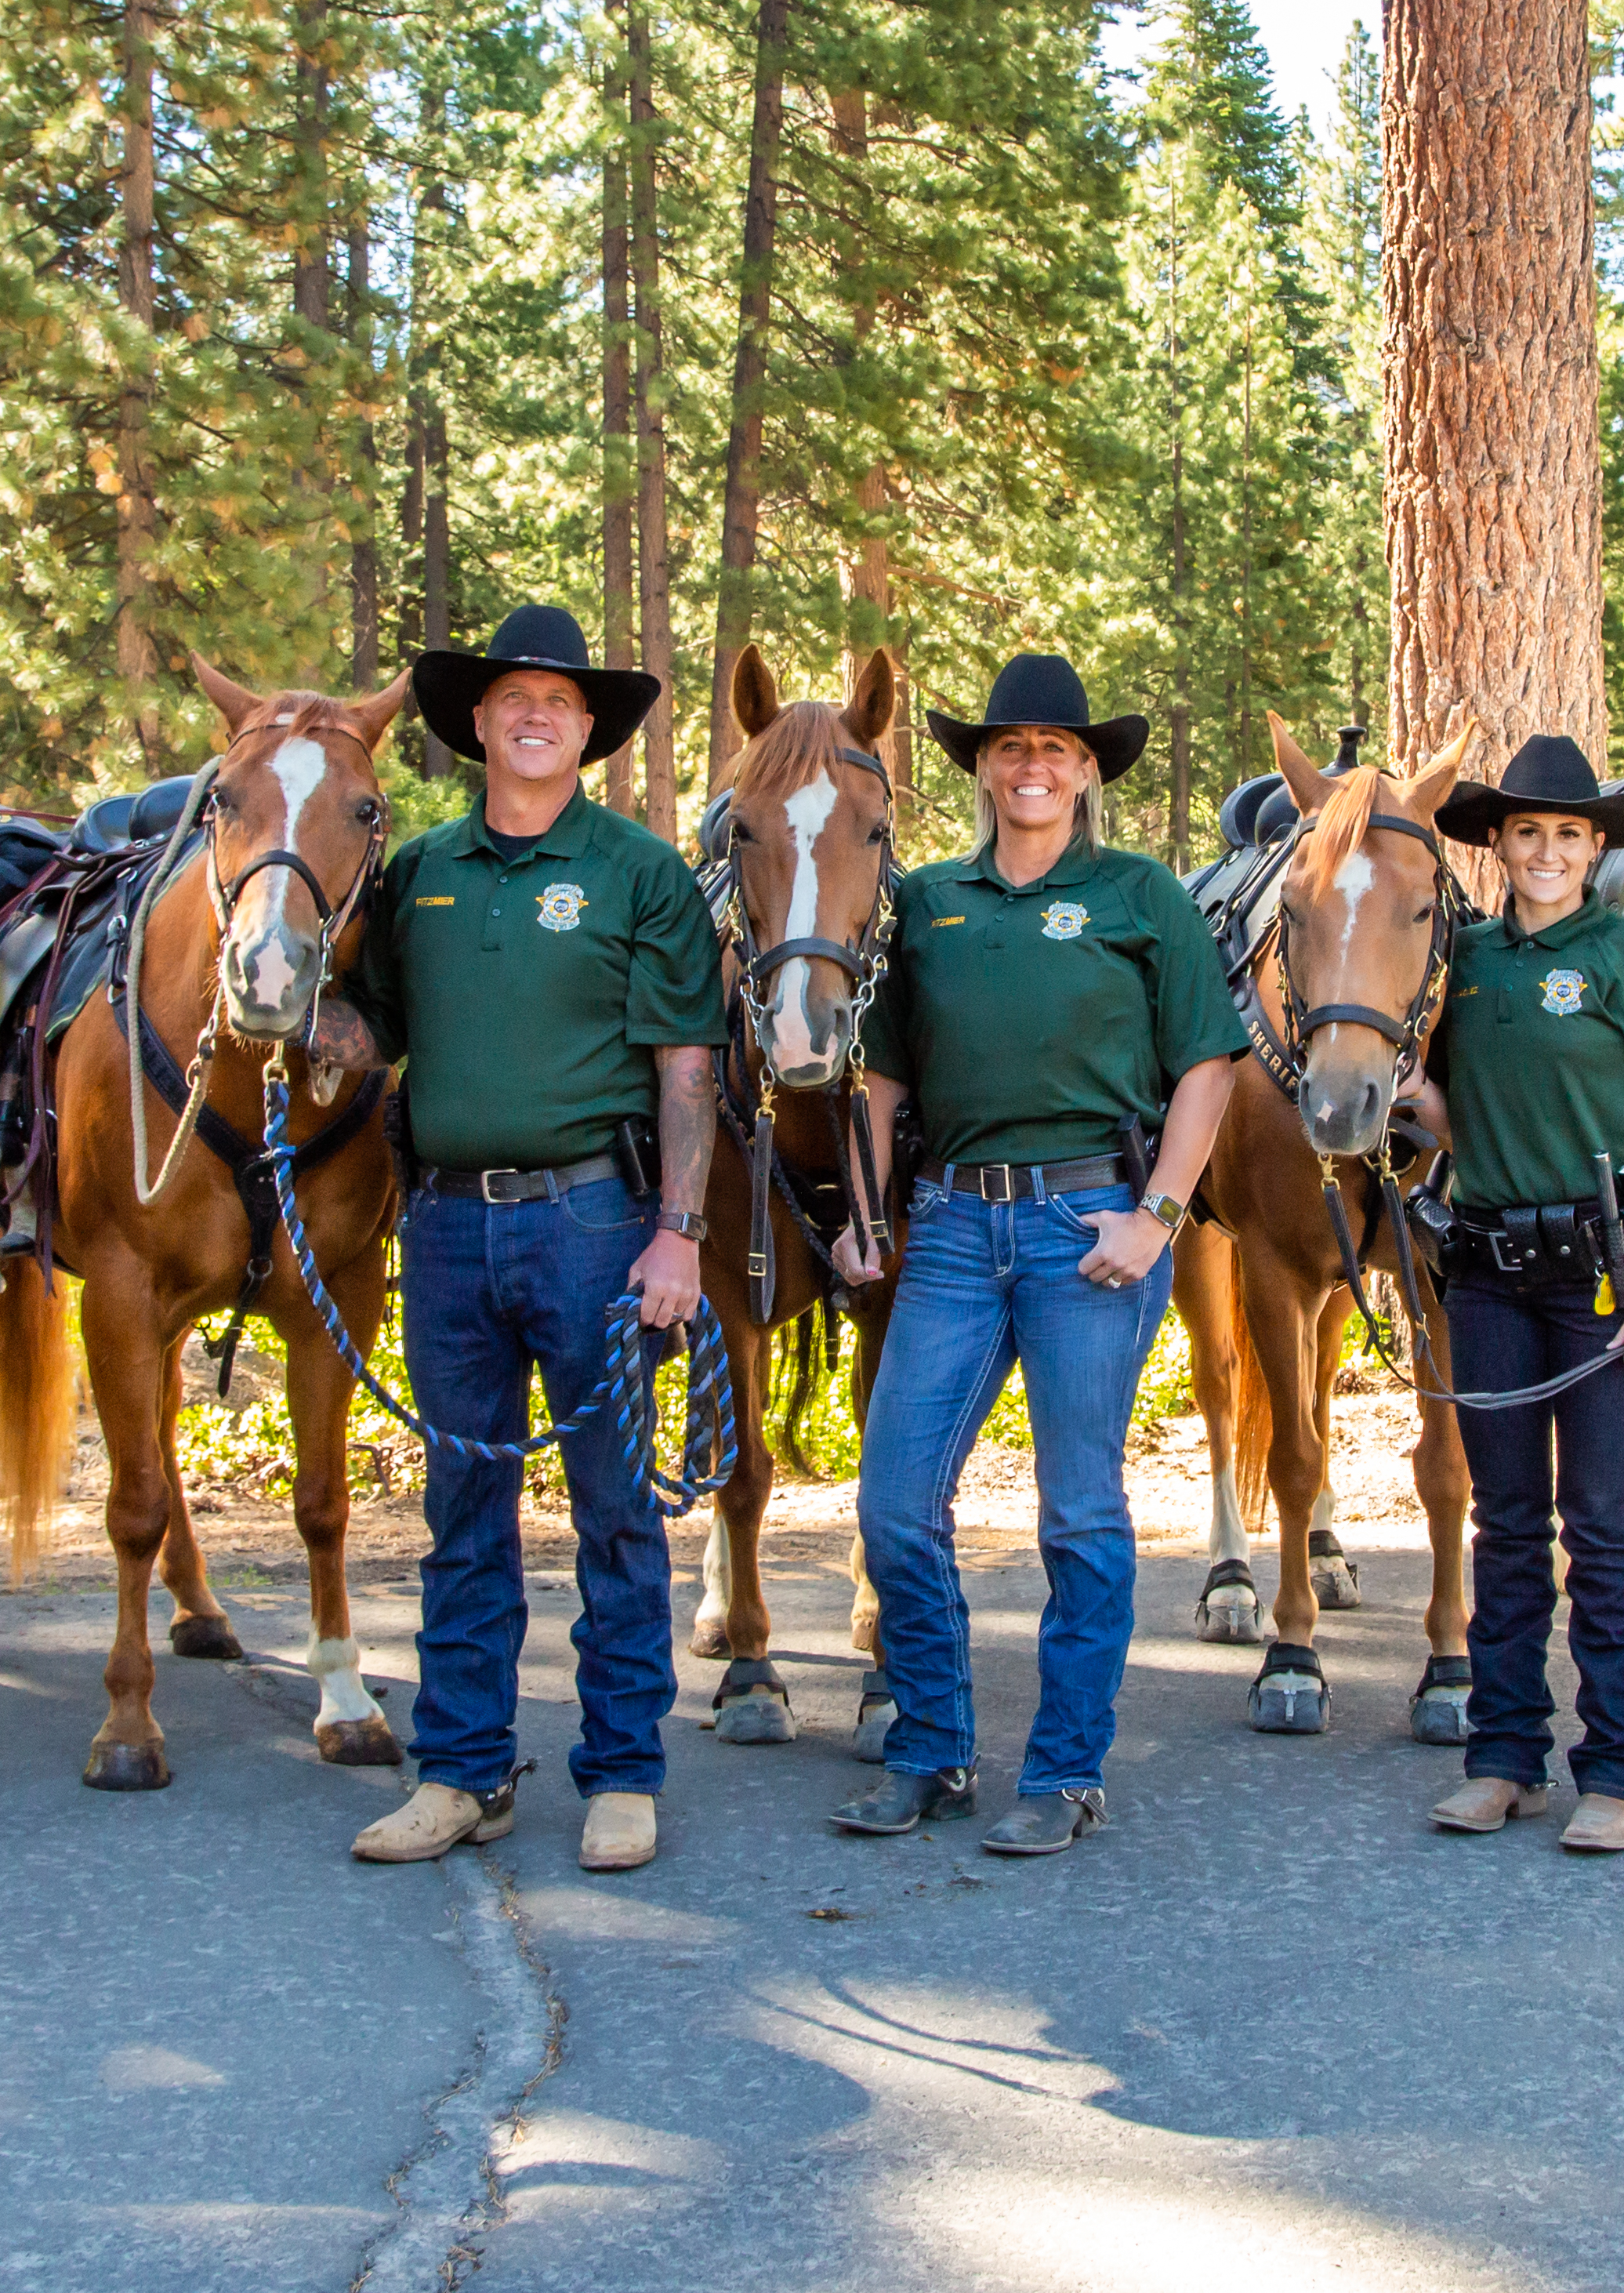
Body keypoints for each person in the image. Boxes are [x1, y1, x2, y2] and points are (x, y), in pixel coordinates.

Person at [310, 604, 723, 1875]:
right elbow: (372, 1026)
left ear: (587, 729)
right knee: (461, 1507)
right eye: (510, 698)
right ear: (476, 726)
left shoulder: (638, 872)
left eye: (560, 698)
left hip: (596, 1221)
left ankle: (623, 1773)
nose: (535, 713)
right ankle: (463, 1772)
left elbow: (687, 1073)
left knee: (613, 1508)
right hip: (441, 1227)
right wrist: (302, 1025)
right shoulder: (418, 872)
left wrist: (678, 1236)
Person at [821, 654, 1242, 1859]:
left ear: (1089, 769)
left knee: (1079, 1515)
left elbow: (1206, 1065)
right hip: (951, 1226)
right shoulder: (934, 902)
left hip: (1091, 1225)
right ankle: (931, 1750)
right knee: (896, 1502)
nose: (1034, 764)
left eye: (1058, 747)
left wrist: (1157, 1214)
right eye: (1012, 747)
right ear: (984, 768)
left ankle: (1064, 1772)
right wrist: (865, 1208)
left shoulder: (1140, 895)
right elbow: (883, 1074)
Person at [1410, 735, 1624, 1856]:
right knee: (1505, 1528)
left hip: (1602, 1283)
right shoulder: (1465, 963)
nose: (1546, 851)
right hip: (1487, 1273)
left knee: (1602, 1528)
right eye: (1526, 831)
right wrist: (1423, 1104)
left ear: (1595, 848)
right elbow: (1459, 1117)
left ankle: (1618, 1770)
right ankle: (1504, 1759)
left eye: (1568, 834)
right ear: (1498, 844)